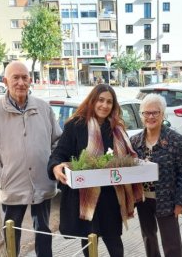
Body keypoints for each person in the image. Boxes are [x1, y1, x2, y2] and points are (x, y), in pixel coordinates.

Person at [48, 84, 143, 257]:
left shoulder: (117, 129)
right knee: (89, 241)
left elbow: (129, 157)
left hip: (111, 198)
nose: (104, 105)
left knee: (115, 244)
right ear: (92, 101)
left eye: (109, 102)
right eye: (100, 100)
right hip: (86, 197)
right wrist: (56, 166)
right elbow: (59, 152)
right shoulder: (75, 126)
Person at [0, 61, 62, 257]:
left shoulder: (43, 108)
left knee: (43, 230)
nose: (21, 82)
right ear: (5, 81)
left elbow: (57, 142)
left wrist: (51, 168)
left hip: (42, 182)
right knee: (11, 231)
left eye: (24, 77)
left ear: (30, 80)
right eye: (15, 78)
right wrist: (2, 176)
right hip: (12, 184)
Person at [130, 93, 182, 257]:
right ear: (142, 115)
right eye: (146, 113)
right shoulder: (135, 141)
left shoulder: (176, 140)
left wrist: (181, 203)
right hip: (143, 200)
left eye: (155, 112)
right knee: (148, 238)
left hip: (167, 200)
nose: (150, 117)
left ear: (163, 114)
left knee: (171, 244)